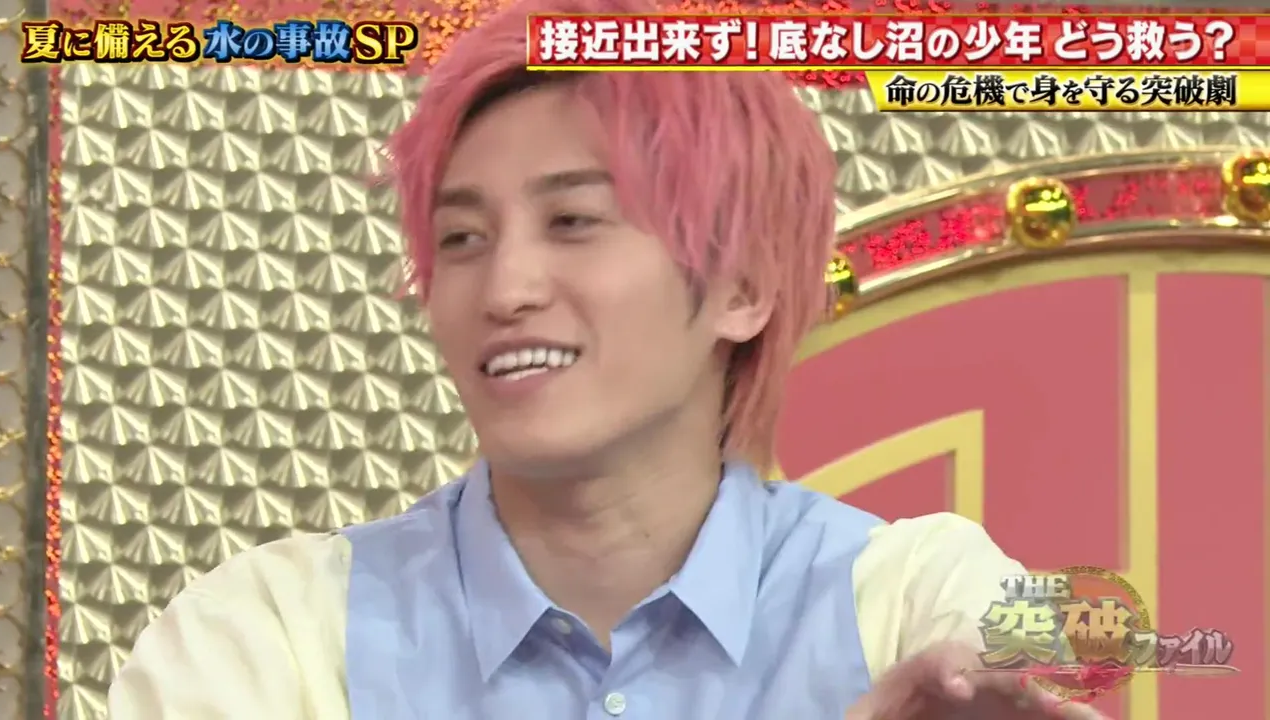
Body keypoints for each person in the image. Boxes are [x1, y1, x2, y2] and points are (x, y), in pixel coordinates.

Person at [107, 0, 1105, 717]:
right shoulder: (270, 635)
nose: (505, 289)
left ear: (742, 287)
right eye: (462, 238)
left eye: (574, 221)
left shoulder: (916, 597)